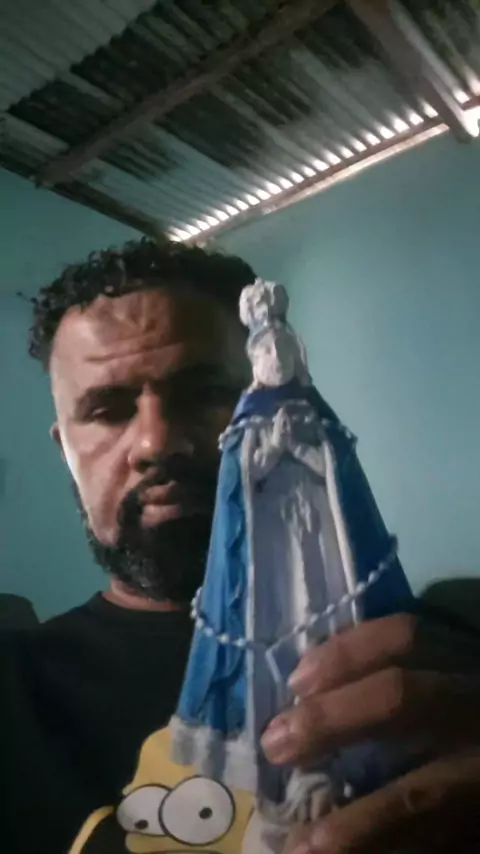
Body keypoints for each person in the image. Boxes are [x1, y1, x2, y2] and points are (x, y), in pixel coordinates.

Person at [1, 237, 479, 854]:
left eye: (202, 393)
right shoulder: (13, 695)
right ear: (64, 448)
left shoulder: (457, 637)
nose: (156, 443)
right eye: (108, 410)